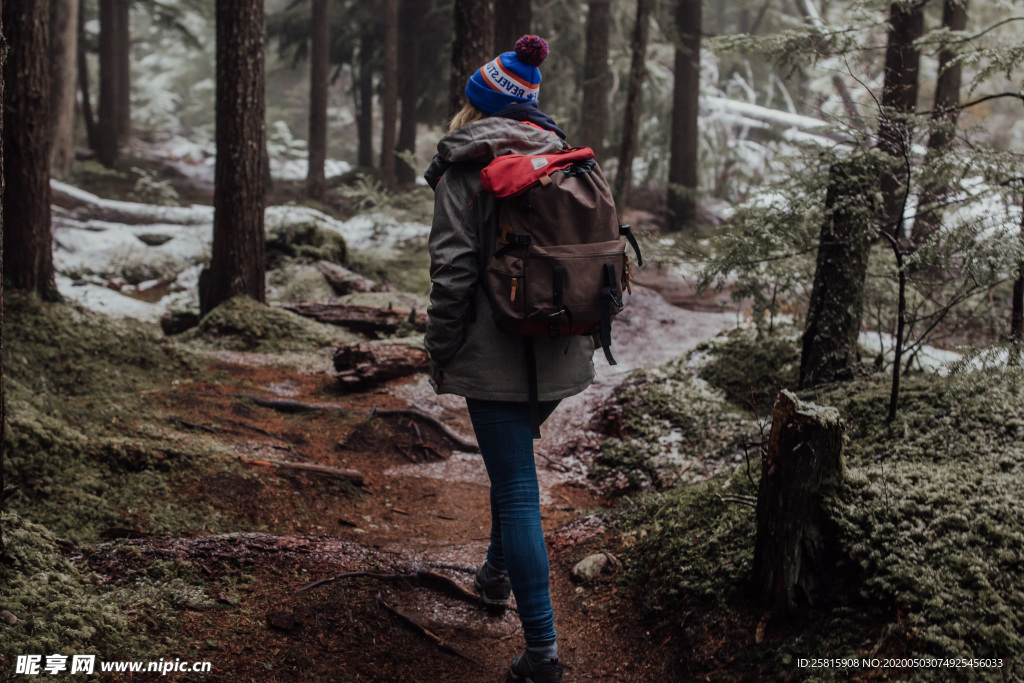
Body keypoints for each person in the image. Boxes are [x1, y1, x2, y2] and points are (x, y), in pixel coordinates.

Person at [423, 35, 596, 683]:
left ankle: (543, 655)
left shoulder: (465, 164)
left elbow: (453, 269)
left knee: (518, 486)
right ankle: (496, 572)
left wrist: (442, 346)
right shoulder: (560, 155)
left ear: (476, 105)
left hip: (495, 354)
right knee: (511, 465)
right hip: (559, 348)